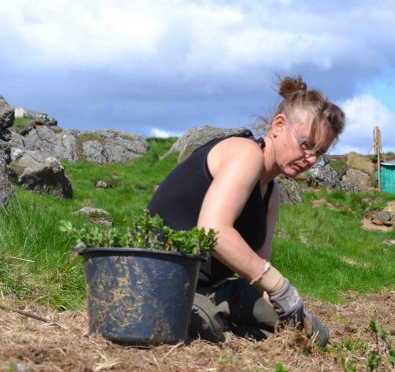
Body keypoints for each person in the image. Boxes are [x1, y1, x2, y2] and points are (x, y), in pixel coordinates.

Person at [147, 76, 345, 346]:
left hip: (214, 289)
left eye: (319, 153)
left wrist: (283, 303)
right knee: (211, 330)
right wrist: (279, 286)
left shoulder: (271, 194)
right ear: (279, 125)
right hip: (160, 280)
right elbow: (212, 231)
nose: (310, 158)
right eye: (306, 144)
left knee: (312, 335)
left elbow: (257, 273)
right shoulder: (245, 153)